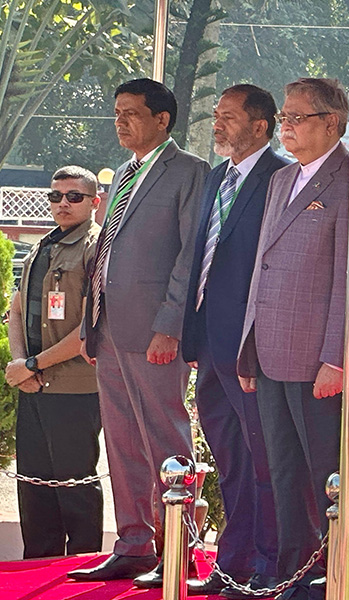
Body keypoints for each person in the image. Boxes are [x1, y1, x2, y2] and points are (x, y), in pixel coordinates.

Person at [236, 78, 349, 600]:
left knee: (329, 470)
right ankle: (291, 569)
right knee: (283, 469)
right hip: (273, 350)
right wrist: (248, 346)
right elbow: (263, 268)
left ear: (332, 122)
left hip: (320, 359)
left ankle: (337, 568)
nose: (287, 127)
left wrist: (337, 358)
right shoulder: (283, 180)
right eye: (284, 118)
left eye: (297, 118)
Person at [68, 78, 209, 584]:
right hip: (108, 329)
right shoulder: (125, 174)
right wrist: (90, 324)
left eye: (131, 112)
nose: (120, 121)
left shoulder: (189, 171)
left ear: (162, 119)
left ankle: (178, 545)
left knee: (164, 436)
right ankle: (133, 543)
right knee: (123, 440)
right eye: (117, 112)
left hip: (154, 331)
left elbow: (190, 255)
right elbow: (105, 253)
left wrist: (171, 324)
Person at [181, 85, 289, 597]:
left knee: (263, 460)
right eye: (216, 116)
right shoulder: (217, 177)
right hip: (208, 343)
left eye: (229, 117)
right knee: (229, 462)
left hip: (252, 349)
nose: (217, 125)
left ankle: (269, 565)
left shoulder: (280, 178)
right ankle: (233, 562)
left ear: (261, 127)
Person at [5, 166, 103, 559]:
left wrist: (33, 363)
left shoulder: (96, 248)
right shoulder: (42, 246)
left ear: (95, 202)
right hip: (33, 384)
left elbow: (89, 328)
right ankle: (38, 568)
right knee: (34, 489)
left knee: (74, 487)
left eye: (74, 196)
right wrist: (20, 365)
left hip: (74, 390)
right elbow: (15, 309)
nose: (62, 203)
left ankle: (82, 567)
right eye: (56, 195)